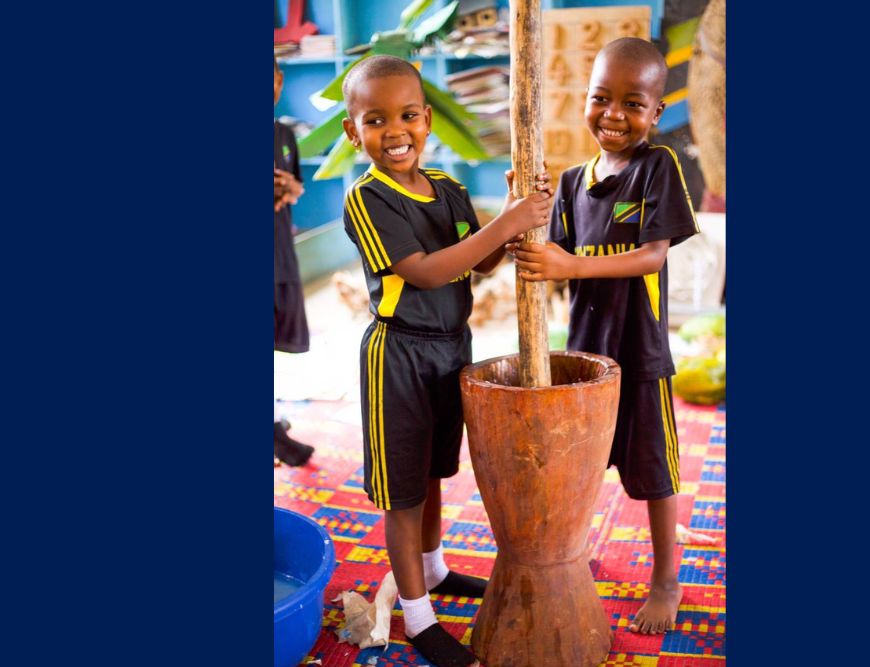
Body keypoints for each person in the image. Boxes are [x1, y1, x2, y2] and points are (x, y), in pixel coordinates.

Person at [340, 55, 553, 667]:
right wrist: (506, 223)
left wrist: (515, 212)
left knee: (433, 471)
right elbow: (427, 271)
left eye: (407, 115)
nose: (395, 130)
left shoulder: (452, 189)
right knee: (403, 490)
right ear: (354, 133)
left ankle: (432, 572)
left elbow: (478, 262)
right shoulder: (367, 198)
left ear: (427, 119)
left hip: (450, 350)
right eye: (375, 120)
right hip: (398, 357)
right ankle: (417, 616)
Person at [511, 37, 700, 635]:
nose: (614, 115)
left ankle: (667, 578)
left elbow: (650, 256)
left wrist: (571, 267)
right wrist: (527, 205)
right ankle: (574, 553)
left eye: (633, 103)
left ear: (656, 112)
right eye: (601, 99)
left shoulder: (657, 168)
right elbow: (553, 255)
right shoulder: (571, 182)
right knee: (582, 464)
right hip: (585, 356)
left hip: (639, 353)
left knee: (654, 470)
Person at [274, 56, 315, 467]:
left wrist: (290, 189)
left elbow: (296, 185)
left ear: (279, 82)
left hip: (280, 257)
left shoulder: (284, 134)